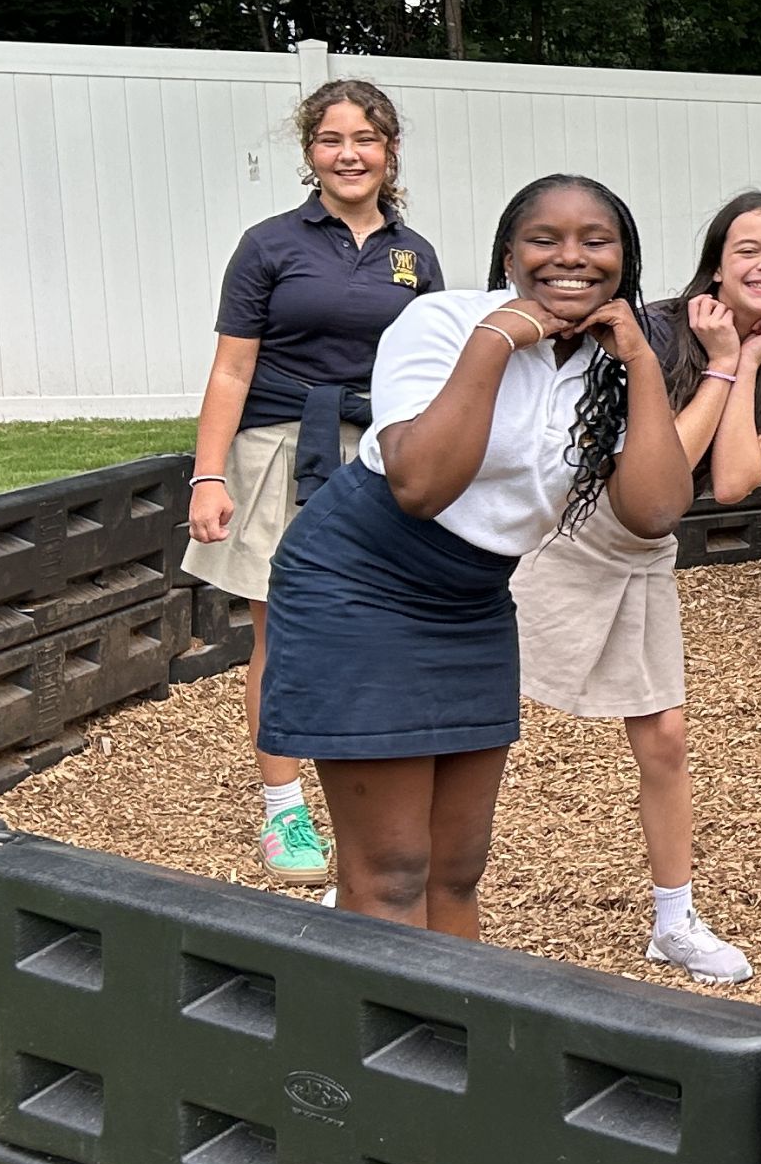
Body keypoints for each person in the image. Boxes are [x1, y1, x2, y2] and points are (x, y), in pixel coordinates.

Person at [258, 176, 691, 936]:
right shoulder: (441, 322)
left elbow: (654, 510)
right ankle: (374, 1013)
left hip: (473, 599)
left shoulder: (614, 361)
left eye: (596, 241)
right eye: (544, 239)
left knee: (457, 868)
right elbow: (420, 485)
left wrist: (642, 363)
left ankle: (452, 1014)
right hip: (360, 582)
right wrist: (497, 338)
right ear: (508, 254)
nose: (571, 257)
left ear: (623, 258)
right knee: (392, 871)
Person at [512, 191, 761, 983]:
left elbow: (734, 480)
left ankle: (673, 921)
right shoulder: (653, 331)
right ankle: (383, 879)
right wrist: (720, 362)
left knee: (667, 738)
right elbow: (653, 474)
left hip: (642, 554)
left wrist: (745, 362)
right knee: (475, 710)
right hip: (558, 534)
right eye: (749, 249)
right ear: (716, 262)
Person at [182, 80, 441, 882]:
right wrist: (207, 475)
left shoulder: (415, 255)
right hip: (280, 448)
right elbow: (231, 368)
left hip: (379, 455)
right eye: (332, 139)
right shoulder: (269, 245)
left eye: (365, 138)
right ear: (310, 152)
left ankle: (370, 792)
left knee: (378, 628)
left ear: (390, 151)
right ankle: (283, 809)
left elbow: (432, 368)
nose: (348, 154)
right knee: (283, 630)